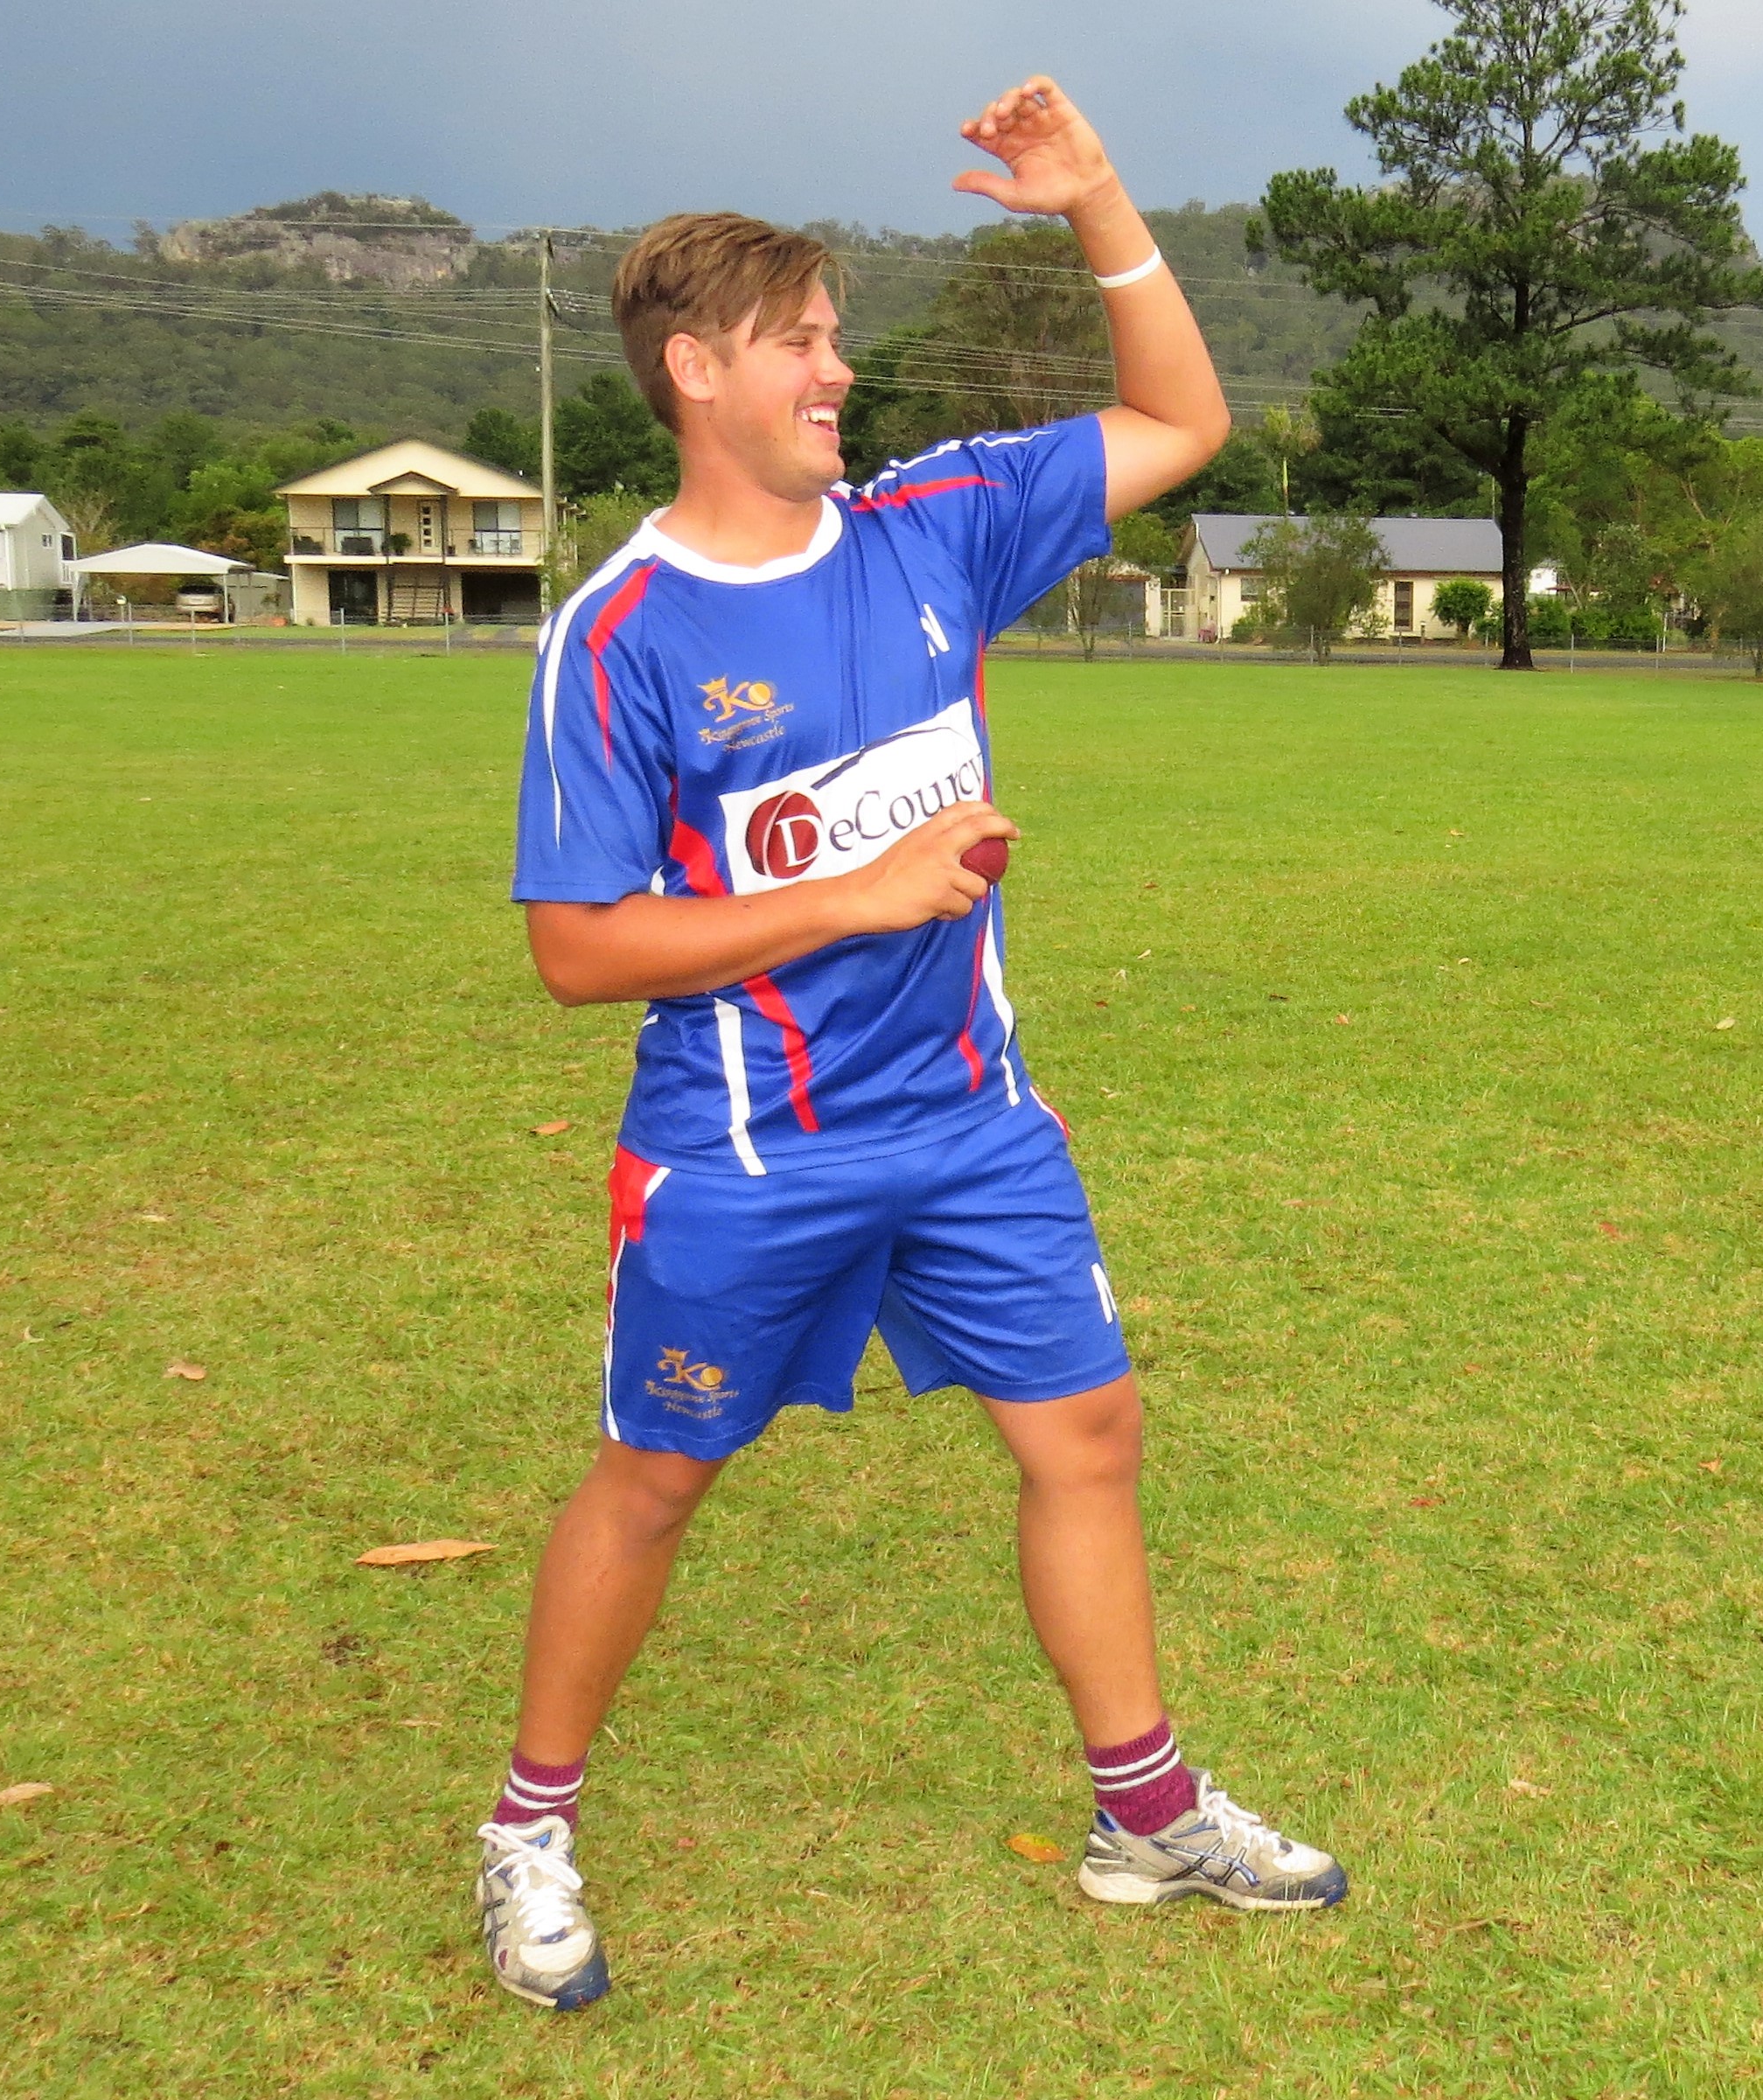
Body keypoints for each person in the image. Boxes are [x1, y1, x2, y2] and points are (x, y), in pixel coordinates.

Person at [481, 78, 1346, 2010]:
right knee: (650, 1476)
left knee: (1087, 1431)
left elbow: (1181, 421)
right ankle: (527, 1826)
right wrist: (849, 897)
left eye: (836, 339)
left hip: (969, 1119)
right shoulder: (617, 635)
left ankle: (1146, 1807)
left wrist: (1098, 201)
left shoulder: (931, 524)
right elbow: (572, 946)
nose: (838, 372)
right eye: (801, 342)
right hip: (744, 1150)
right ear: (696, 370)